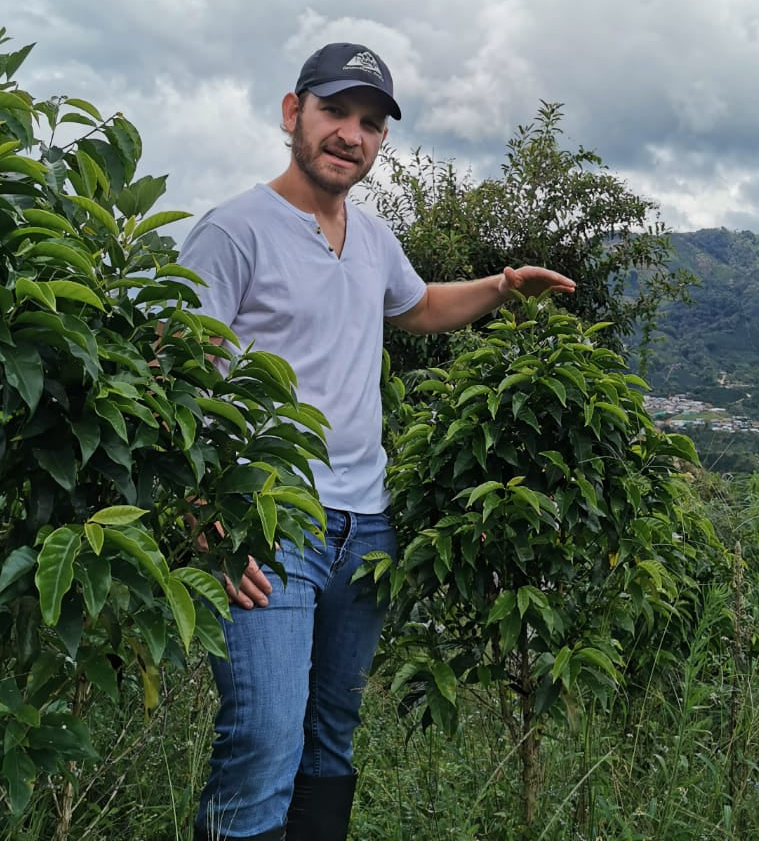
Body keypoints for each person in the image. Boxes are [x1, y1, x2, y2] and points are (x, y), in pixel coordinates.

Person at [181, 42, 575, 841]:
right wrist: (200, 509)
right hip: (270, 524)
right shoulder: (233, 232)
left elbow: (419, 305)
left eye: (369, 123)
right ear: (294, 113)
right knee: (262, 739)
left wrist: (502, 288)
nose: (350, 136)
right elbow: (175, 376)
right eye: (335, 112)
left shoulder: (372, 239)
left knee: (330, 739)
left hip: (366, 529)